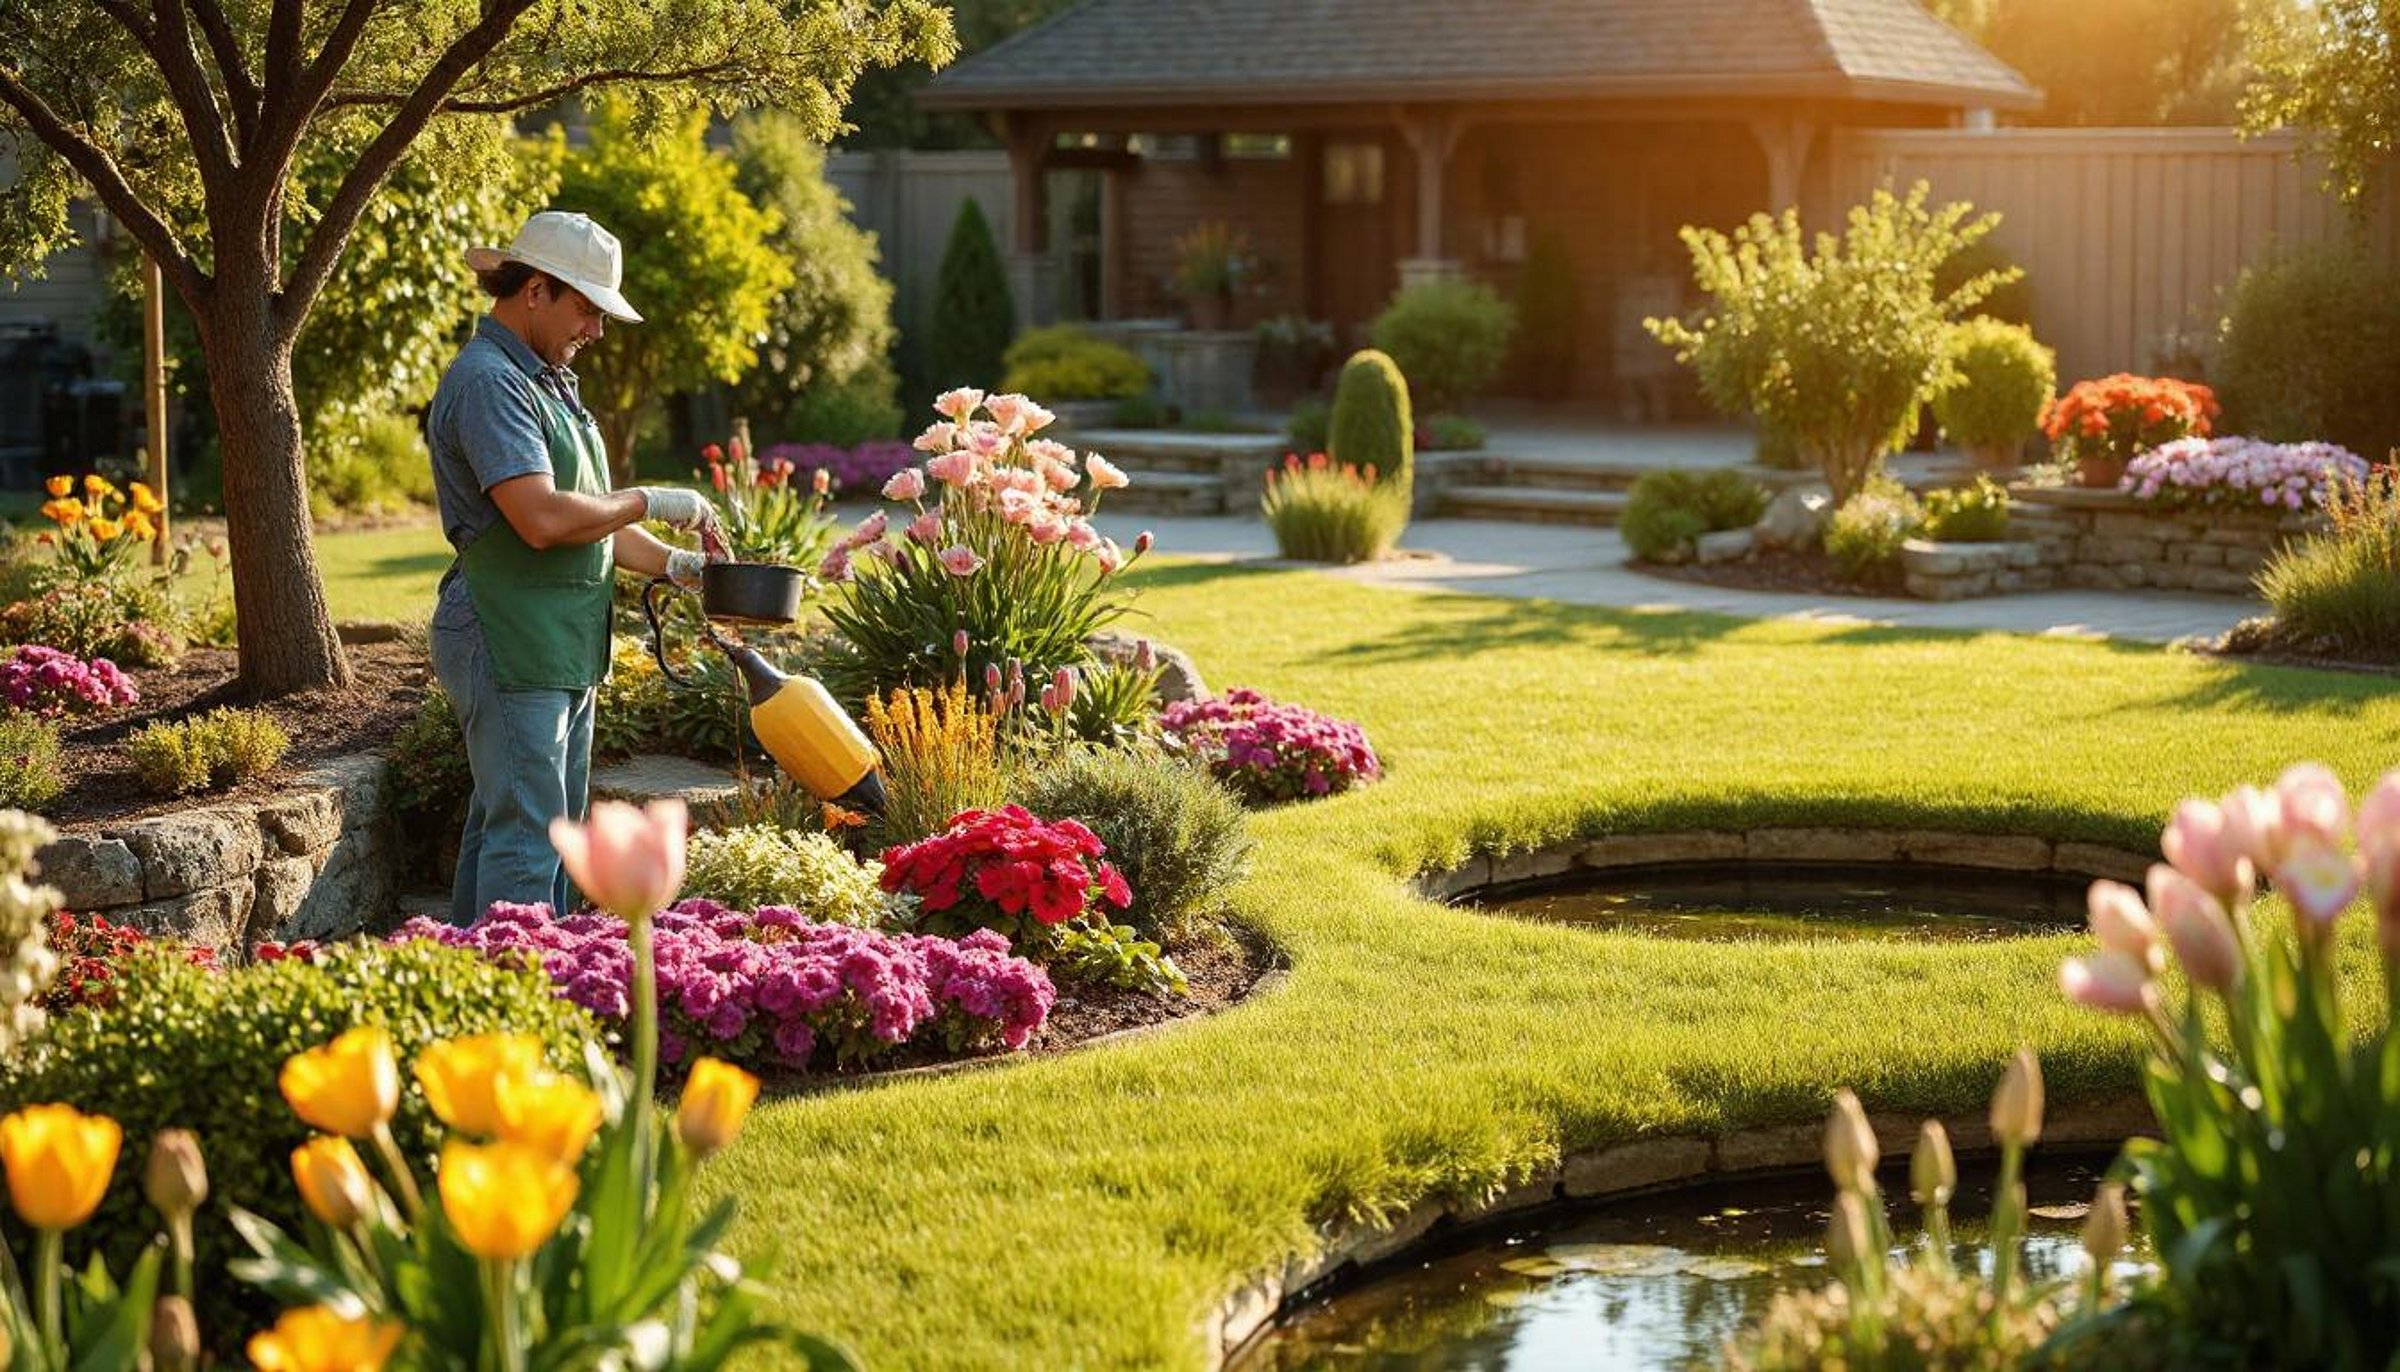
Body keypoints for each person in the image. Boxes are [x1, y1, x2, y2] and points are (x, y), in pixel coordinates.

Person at [426, 210, 717, 924]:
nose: (597, 330)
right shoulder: (493, 383)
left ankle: (469, 986)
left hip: (551, 639)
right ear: (534, 292)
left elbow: (594, 528)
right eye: (587, 309)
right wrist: (650, 497)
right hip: (507, 632)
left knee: (531, 831)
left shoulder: (548, 381)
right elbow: (544, 518)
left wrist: (683, 568)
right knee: (529, 839)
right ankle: (524, 1008)